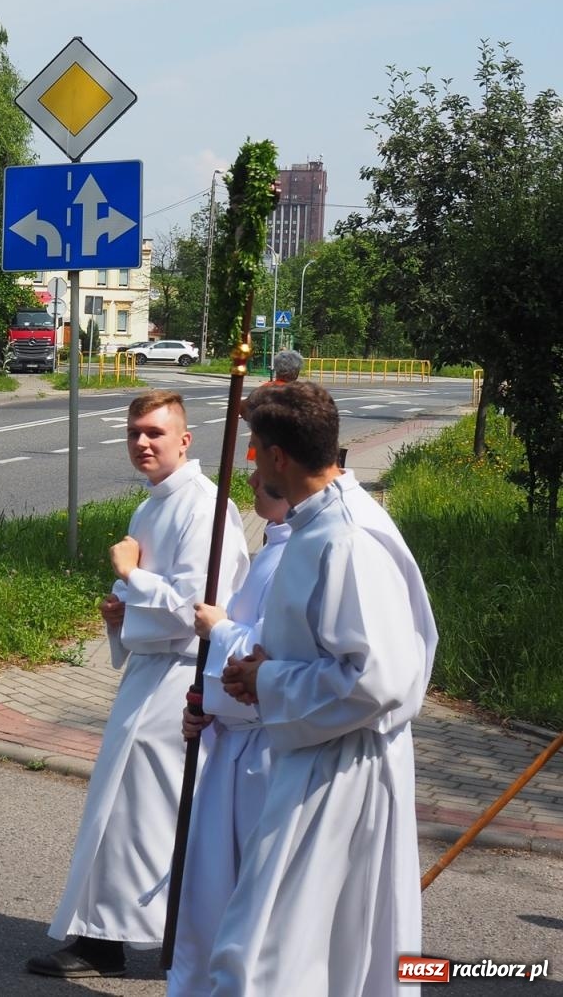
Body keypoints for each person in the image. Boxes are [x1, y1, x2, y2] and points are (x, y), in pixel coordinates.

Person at [209, 380, 436, 996]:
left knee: (267, 953)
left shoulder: (349, 538)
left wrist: (270, 678)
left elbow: (376, 678)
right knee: (310, 948)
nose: (252, 461)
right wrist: (264, 666)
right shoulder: (317, 525)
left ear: (278, 456)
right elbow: (328, 648)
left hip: (343, 771)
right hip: (316, 755)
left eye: (255, 449)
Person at [28, 389, 250, 979]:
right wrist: (120, 613)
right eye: (134, 433)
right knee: (123, 812)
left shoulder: (205, 506)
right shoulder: (151, 505)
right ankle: (112, 934)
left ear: (184, 439)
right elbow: (153, 597)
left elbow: (201, 606)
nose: (142, 443)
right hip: (149, 676)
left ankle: (146, 939)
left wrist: (132, 579)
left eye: (154, 432)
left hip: (181, 679)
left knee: (148, 817)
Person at [162, 467, 291, 997]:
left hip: (268, 756)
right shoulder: (276, 544)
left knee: (251, 903)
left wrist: (219, 630)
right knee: (208, 895)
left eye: (263, 474)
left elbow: (271, 653)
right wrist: (207, 709)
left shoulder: (303, 553)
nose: (252, 480)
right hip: (234, 745)